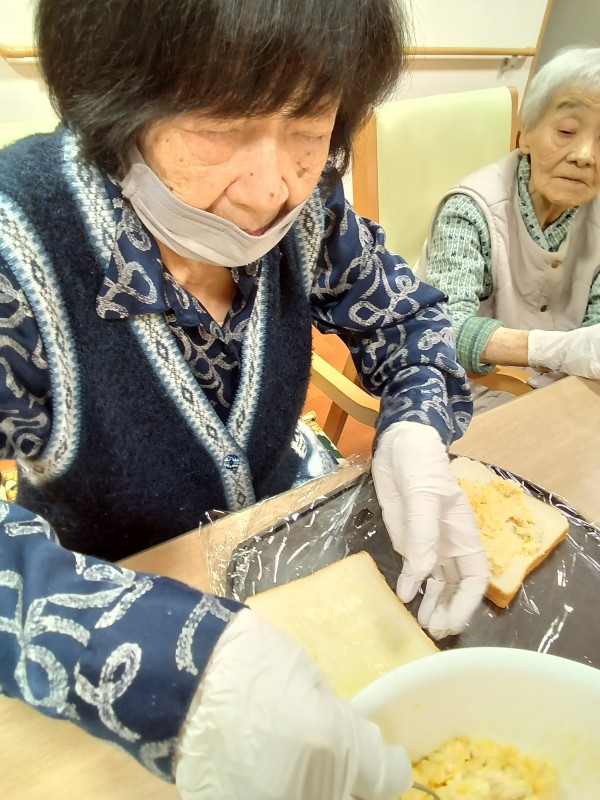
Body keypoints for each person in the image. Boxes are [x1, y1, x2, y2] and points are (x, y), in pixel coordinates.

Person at [0, 2, 489, 799]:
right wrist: (169, 670)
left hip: (290, 535)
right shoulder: (18, 249)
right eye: (220, 125)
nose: (272, 190)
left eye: (308, 125)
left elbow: (407, 320)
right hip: (111, 585)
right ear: (122, 101)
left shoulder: (311, 206)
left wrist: (415, 430)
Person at [421, 47, 600, 391]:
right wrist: (556, 351)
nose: (584, 156)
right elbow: (443, 327)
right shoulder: (469, 211)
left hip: (571, 388)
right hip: (475, 388)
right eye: (566, 131)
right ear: (526, 133)